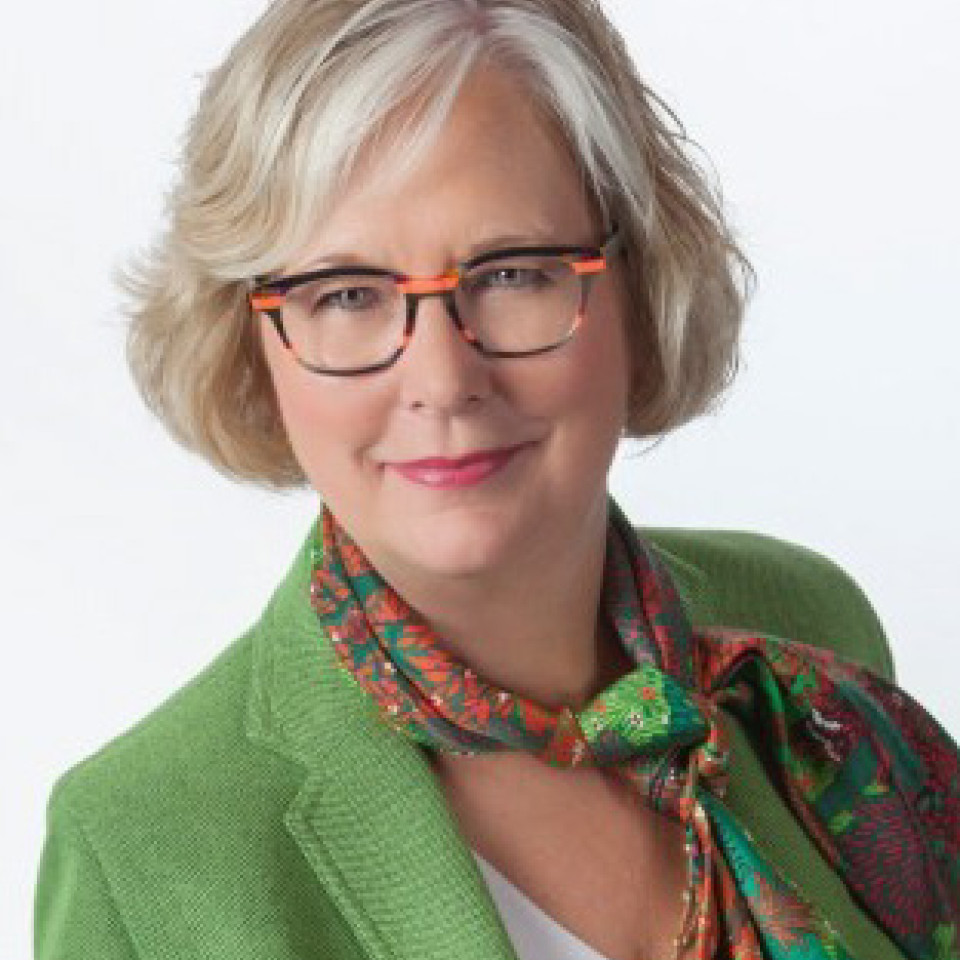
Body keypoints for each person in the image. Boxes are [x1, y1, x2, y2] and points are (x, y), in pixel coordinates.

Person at [33, 2, 959, 959]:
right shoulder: (144, 854)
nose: (442, 380)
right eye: (346, 294)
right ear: (248, 344)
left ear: (642, 285)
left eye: (512, 274)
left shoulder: (808, 631)